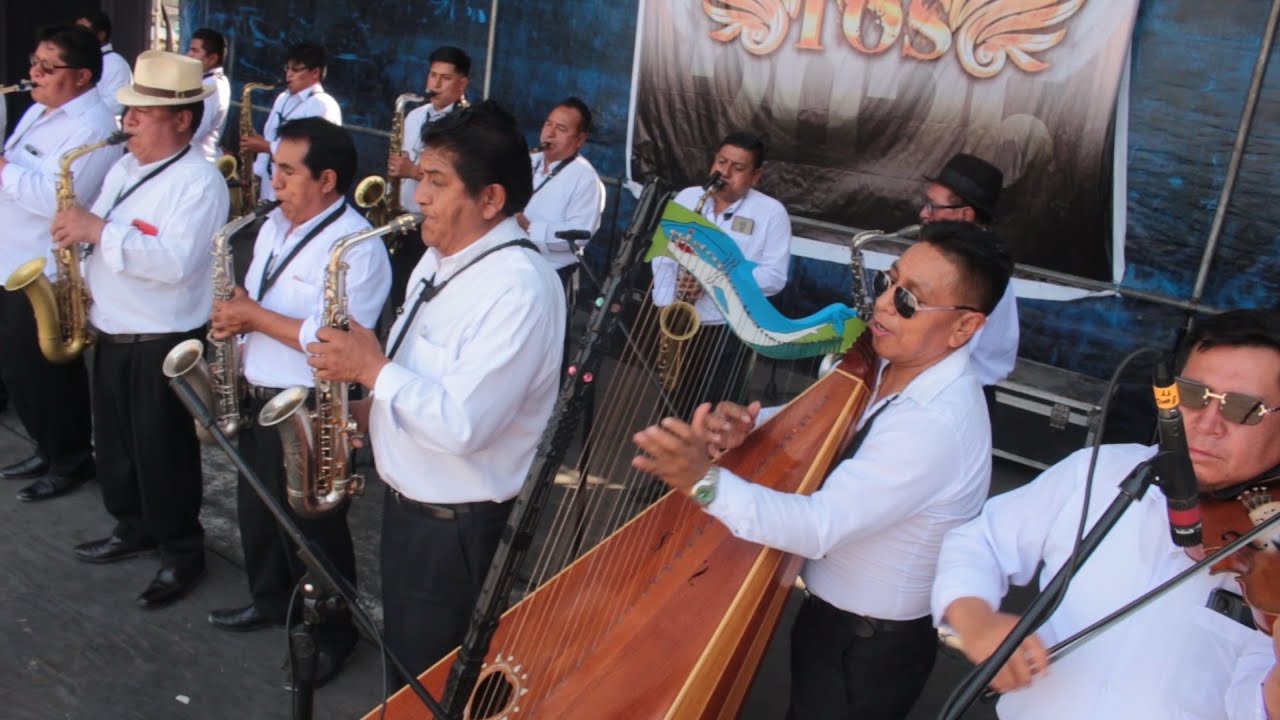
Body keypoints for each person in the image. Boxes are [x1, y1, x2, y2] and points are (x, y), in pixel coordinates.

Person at [634, 220, 1013, 720]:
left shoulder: (935, 424)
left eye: (909, 302)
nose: (883, 303)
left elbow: (817, 528)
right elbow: (839, 427)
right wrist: (752, 427)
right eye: (888, 282)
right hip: (835, 622)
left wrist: (702, 482)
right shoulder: (888, 364)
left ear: (965, 327)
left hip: (869, 647)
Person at [306, 100, 565, 688]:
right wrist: (360, 410)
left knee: (431, 685)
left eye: (436, 182)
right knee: (408, 670)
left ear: (491, 199)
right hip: (411, 512)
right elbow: (416, 378)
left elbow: (463, 427)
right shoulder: (437, 258)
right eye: (421, 177)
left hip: (456, 531)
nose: (417, 195)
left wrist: (372, 371)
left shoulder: (519, 289)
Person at [932, 307, 1280, 719]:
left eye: (1241, 409)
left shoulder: (1267, 548)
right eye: (1192, 393)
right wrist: (977, 621)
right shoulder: (1098, 471)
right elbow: (981, 540)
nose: (1207, 424)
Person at [207, 117, 391, 688]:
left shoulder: (359, 249)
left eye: (288, 171)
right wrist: (236, 327)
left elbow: (337, 337)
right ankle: (270, 600)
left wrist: (253, 316)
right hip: (261, 390)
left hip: (314, 404)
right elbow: (259, 301)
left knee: (316, 531)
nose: (273, 180)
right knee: (257, 510)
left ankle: (333, 634)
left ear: (328, 179)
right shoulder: (272, 226)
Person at [50, 50, 229, 609]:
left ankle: (181, 553)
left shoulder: (200, 184)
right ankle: (131, 528)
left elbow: (177, 262)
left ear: (180, 119)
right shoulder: (125, 167)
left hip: (163, 341)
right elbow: (100, 231)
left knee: (164, 455)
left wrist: (97, 229)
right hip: (111, 330)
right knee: (119, 448)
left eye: (141, 112)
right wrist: (79, 235)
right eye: (128, 109)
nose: (127, 119)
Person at [0, 25, 118, 502]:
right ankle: (46, 448)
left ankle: (70, 458)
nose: (34, 74)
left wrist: (6, 171)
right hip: (12, 260)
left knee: (49, 374)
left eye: (48, 67)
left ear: (83, 75)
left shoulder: (92, 128)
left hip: (45, 272)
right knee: (19, 371)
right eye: (34, 62)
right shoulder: (38, 110)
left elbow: (58, 201)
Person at [650, 131, 791, 413]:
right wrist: (667, 310)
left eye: (737, 168)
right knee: (671, 410)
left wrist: (715, 280)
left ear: (756, 176)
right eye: (721, 162)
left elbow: (775, 277)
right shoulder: (689, 198)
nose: (724, 172)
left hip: (728, 333)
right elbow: (662, 259)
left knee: (713, 415)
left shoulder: (771, 213)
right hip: (681, 324)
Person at [920, 152, 1019, 385]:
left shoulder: (977, 271)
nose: (923, 213)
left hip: (956, 391)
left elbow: (939, 349)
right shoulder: (953, 257)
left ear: (965, 214)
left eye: (933, 207)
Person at [384, 45, 470, 310]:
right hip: (402, 216)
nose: (436, 83)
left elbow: (460, 176)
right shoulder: (414, 115)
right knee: (392, 291)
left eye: (445, 78)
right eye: (433, 75)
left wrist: (414, 171)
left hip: (435, 222)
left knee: (416, 298)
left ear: (462, 83)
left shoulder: (465, 123)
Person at [517, 97, 605, 295]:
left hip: (549, 274)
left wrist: (529, 227)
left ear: (580, 140)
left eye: (561, 129)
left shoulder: (586, 179)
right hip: (512, 261)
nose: (550, 133)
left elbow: (579, 235)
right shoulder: (528, 160)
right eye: (548, 124)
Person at [245, 42, 341, 203]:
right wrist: (256, 171)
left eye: (296, 70)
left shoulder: (323, 105)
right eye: (287, 68)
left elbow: (310, 153)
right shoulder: (283, 98)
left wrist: (267, 147)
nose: (288, 74)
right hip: (269, 189)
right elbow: (270, 135)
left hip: (299, 194)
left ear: (315, 73)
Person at [186, 28, 231, 163]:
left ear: (212, 59)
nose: (188, 55)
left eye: (195, 51)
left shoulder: (212, 86)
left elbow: (196, 132)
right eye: (190, 49)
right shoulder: (210, 81)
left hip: (197, 161)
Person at [75, 11, 131, 118]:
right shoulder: (75, 60)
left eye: (83, 31)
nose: (77, 37)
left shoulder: (115, 63)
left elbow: (116, 105)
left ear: (101, 35)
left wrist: (79, 106)